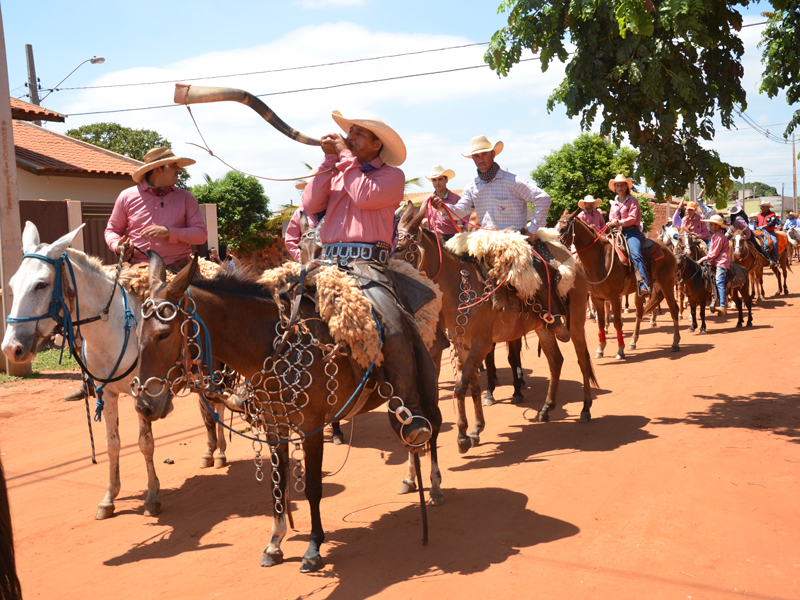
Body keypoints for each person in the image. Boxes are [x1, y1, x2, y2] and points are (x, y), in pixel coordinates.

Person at [301, 110, 441, 449]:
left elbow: (364, 197)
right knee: (275, 305)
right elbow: (309, 204)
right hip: (325, 262)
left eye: (358, 134)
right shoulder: (338, 170)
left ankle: (409, 412)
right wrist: (326, 162)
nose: (349, 137)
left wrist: (344, 159)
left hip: (370, 265)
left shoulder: (392, 176)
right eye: (348, 132)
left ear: (377, 144)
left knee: (393, 328)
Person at [429, 135, 551, 243]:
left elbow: (543, 198)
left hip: (515, 241)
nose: (481, 159)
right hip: (486, 242)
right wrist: (442, 207)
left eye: (484, 154)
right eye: (476, 156)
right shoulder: (471, 187)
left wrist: (532, 230)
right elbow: (460, 210)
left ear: (493, 154)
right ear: (473, 159)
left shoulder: (513, 181)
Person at [105, 147, 208, 268]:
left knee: (202, 288)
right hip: (138, 267)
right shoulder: (126, 196)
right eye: (173, 165)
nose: (179, 169)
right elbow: (112, 231)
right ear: (158, 168)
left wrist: (168, 232)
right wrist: (118, 246)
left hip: (179, 267)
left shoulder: (186, 198)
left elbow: (201, 235)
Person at [607, 174, 651, 296]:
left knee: (636, 254)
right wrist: (612, 222)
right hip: (617, 232)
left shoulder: (633, 201)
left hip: (631, 231)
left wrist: (619, 222)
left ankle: (644, 284)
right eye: (617, 185)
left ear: (626, 187)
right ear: (615, 188)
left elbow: (632, 218)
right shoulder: (614, 203)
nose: (620, 187)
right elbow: (611, 217)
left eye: (622, 185)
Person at [697, 214, 730, 315]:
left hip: (721, 262)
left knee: (719, 281)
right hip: (713, 261)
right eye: (710, 225)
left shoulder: (719, 237)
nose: (709, 227)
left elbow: (715, 253)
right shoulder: (714, 236)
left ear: (717, 226)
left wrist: (702, 259)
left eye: (711, 225)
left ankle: (723, 305)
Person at [422, 165, 461, 240]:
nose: (437, 183)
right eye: (434, 180)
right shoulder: (427, 200)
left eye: (440, 179)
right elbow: (420, 220)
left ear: (446, 180)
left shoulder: (456, 199)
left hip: (451, 238)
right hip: (432, 238)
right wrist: (423, 221)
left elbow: (466, 221)